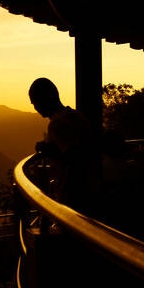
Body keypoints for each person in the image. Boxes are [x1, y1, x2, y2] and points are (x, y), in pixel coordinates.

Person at [29, 77, 94, 209]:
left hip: (73, 193)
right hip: (91, 187)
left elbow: (73, 156)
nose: (35, 107)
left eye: (35, 102)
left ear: (45, 99)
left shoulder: (57, 124)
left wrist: (47, 150)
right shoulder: (75, 116)